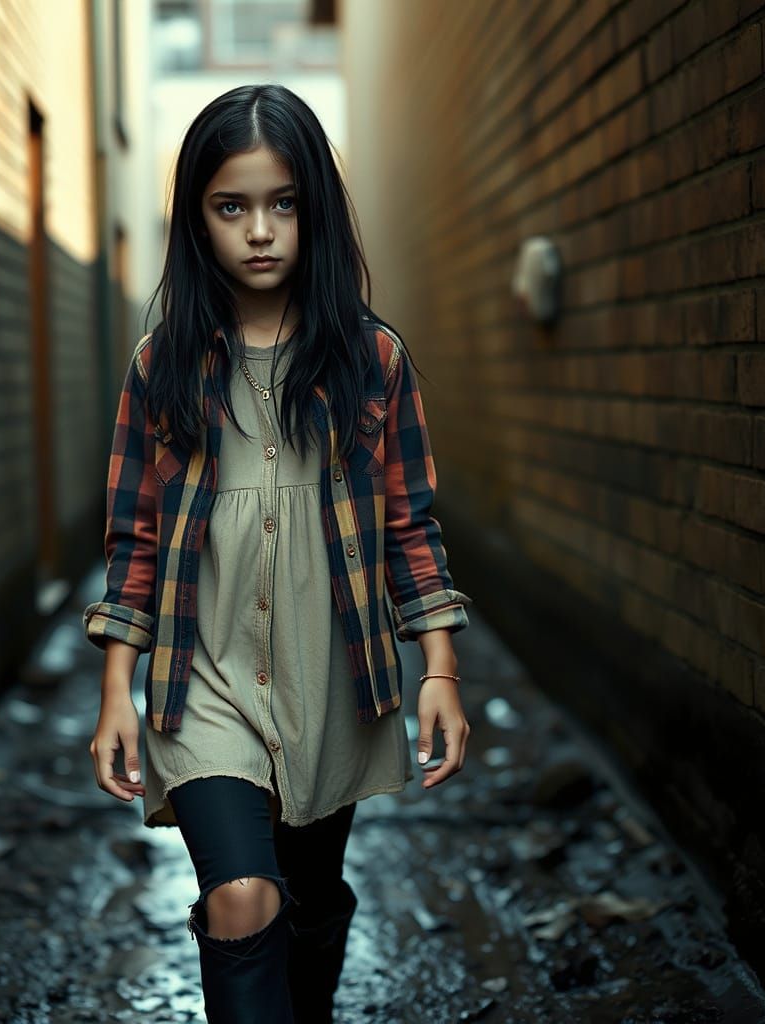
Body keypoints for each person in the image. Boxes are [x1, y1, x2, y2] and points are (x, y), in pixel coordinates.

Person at [85, 83, 474, 1024]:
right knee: (241, 898)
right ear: (198, 220)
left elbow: (410, 523)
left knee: (307, 899)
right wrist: (115, 693)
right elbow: (135, 537)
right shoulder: (162, 368)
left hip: (333, 685)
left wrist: (441, 668)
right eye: (232, 207)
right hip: (203, 683)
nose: (259, 231)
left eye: (283, 203)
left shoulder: (370, 363)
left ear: (315, 214)